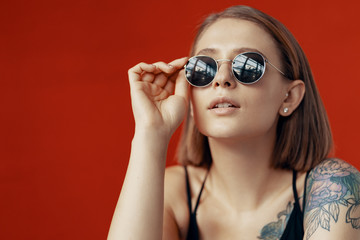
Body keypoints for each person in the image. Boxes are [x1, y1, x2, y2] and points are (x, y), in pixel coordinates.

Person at [108, 5, 360, 240]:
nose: (222, 79)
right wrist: (150, 132)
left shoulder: (334, 187)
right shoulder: (172, 192)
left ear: (290, 96)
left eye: (247, 65)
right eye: (204, 68)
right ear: (190, 96)